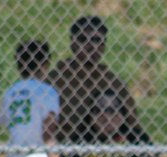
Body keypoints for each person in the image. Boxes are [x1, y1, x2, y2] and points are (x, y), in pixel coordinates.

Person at [48, 15, 138, 146]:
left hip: (106, 151)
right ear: (73, 43)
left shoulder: (113, 82)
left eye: (96, 40)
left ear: (103, 45)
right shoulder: (54, 80)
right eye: (83, 39)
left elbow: (133, 125)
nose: (90, 46)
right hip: (63, 150)